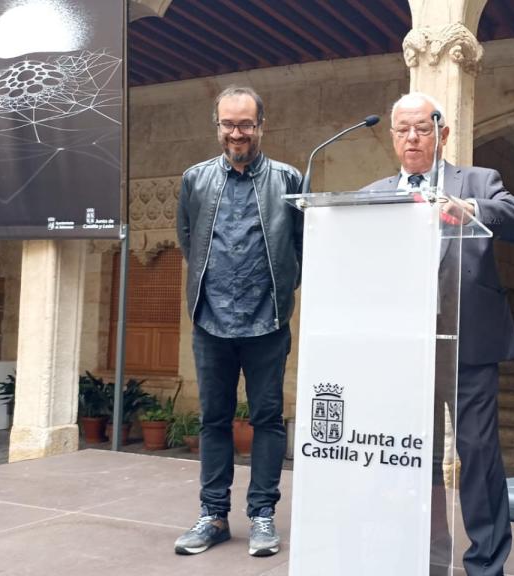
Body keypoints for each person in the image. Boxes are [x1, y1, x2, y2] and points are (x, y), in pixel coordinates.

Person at [366, 92, 514, 576]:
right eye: (403, 130)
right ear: (393, 136)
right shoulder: (375, 194)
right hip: (405, 352)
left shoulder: (477, 181)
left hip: (469, 347)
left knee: (478, 456)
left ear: (442, 133)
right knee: (412, 458)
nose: (412, 137)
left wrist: (472, 208)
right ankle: (424, 555)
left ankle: (486, 564)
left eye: (422, 128)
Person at [174, 85, 303, 557]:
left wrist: (280, 290)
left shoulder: (289, 179)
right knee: (213, 419)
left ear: (261, 125)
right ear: (218, 126)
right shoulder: (195, 179)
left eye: (245, 124)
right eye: (228, 124)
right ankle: (213, 515)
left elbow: (301, 245)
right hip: (211, 320)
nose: (237, 133)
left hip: (267, 320)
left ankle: (263, 515)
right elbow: (188, 239)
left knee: (268, 419)